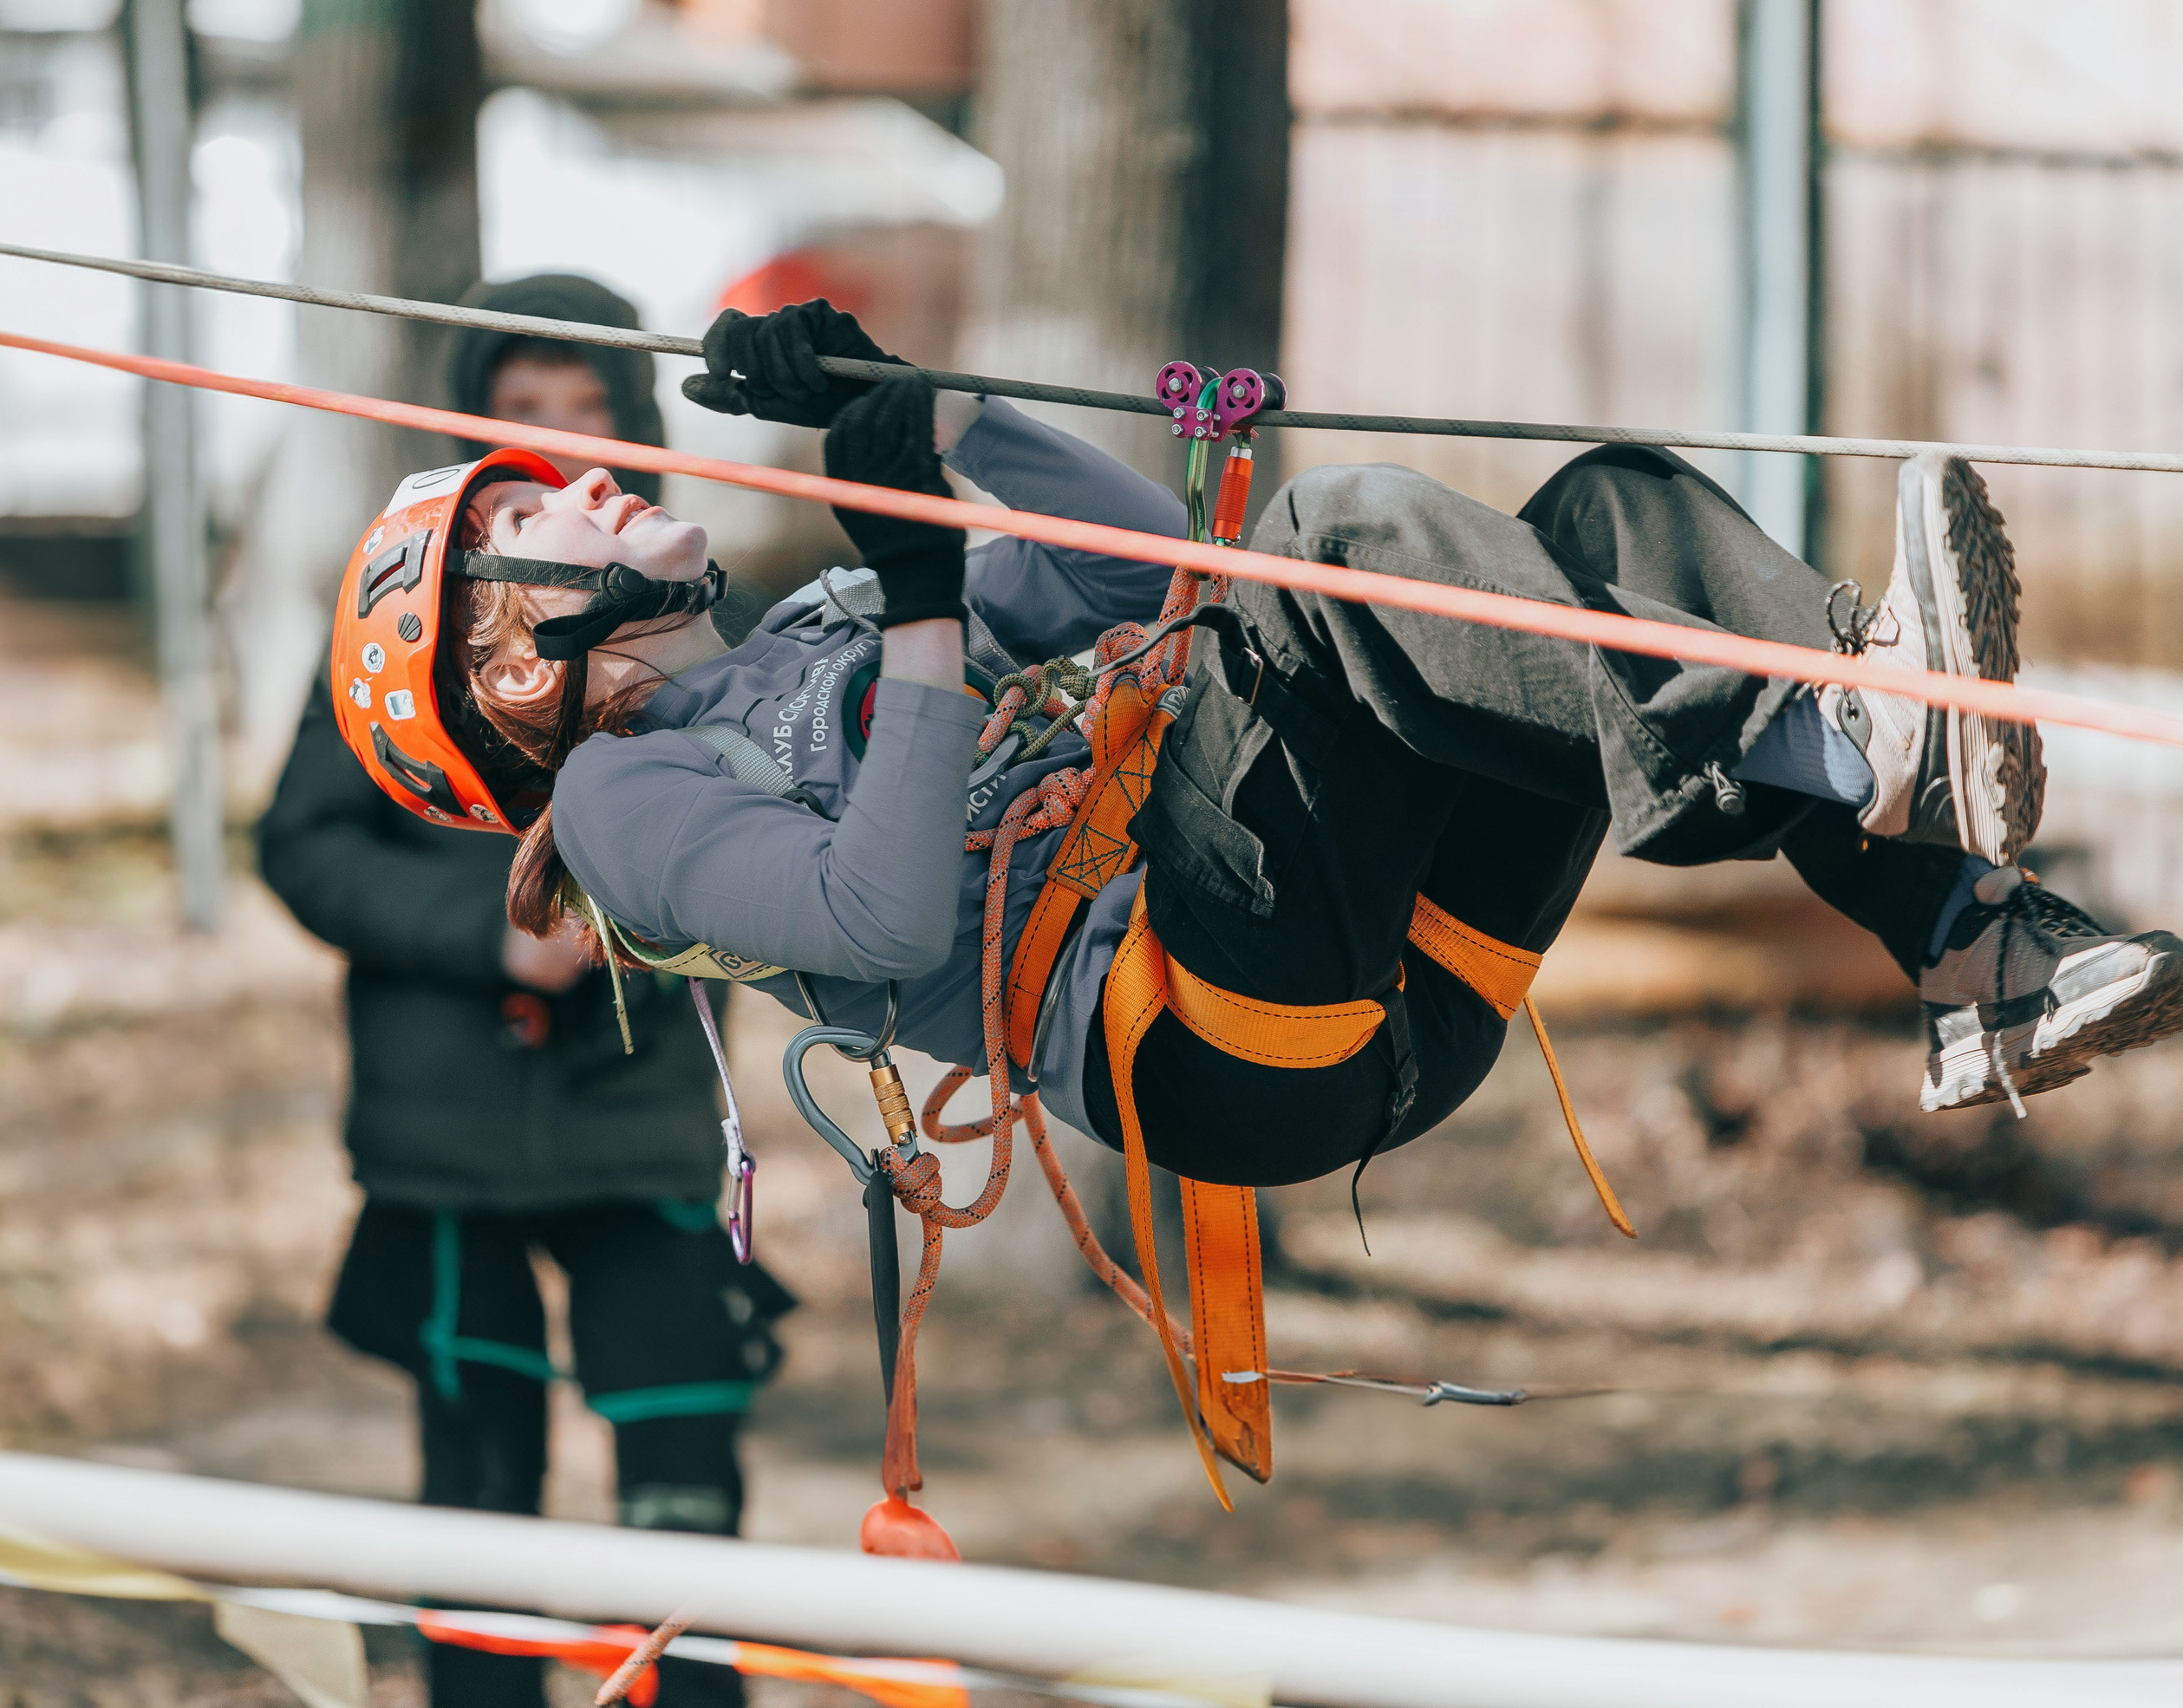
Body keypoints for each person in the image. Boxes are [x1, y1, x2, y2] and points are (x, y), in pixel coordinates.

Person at [331, 297, 2183, 1197]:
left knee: (1603, 520)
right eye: (537, 518)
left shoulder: (804, 637)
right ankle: (1838, 736)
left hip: (1356, 962)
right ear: (511, 669)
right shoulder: (619, 807)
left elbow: (1162, 569)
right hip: (1206, 1037)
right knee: (1336, 538)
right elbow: (883, 914)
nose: (590, 476)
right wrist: (911, 590)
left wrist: (935, 412)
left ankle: (1965, 943)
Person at [259, 275, 789, 1708]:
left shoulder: (685, 618)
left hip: (644, 1121)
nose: (560, 439)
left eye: (590, 409)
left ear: (633, 436)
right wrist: (491, 933)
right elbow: (303, 841)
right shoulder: (394, 620)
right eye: (521, 411)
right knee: (476, 1484)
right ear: (471, 439)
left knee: (685, 1476)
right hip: (453, 1125)